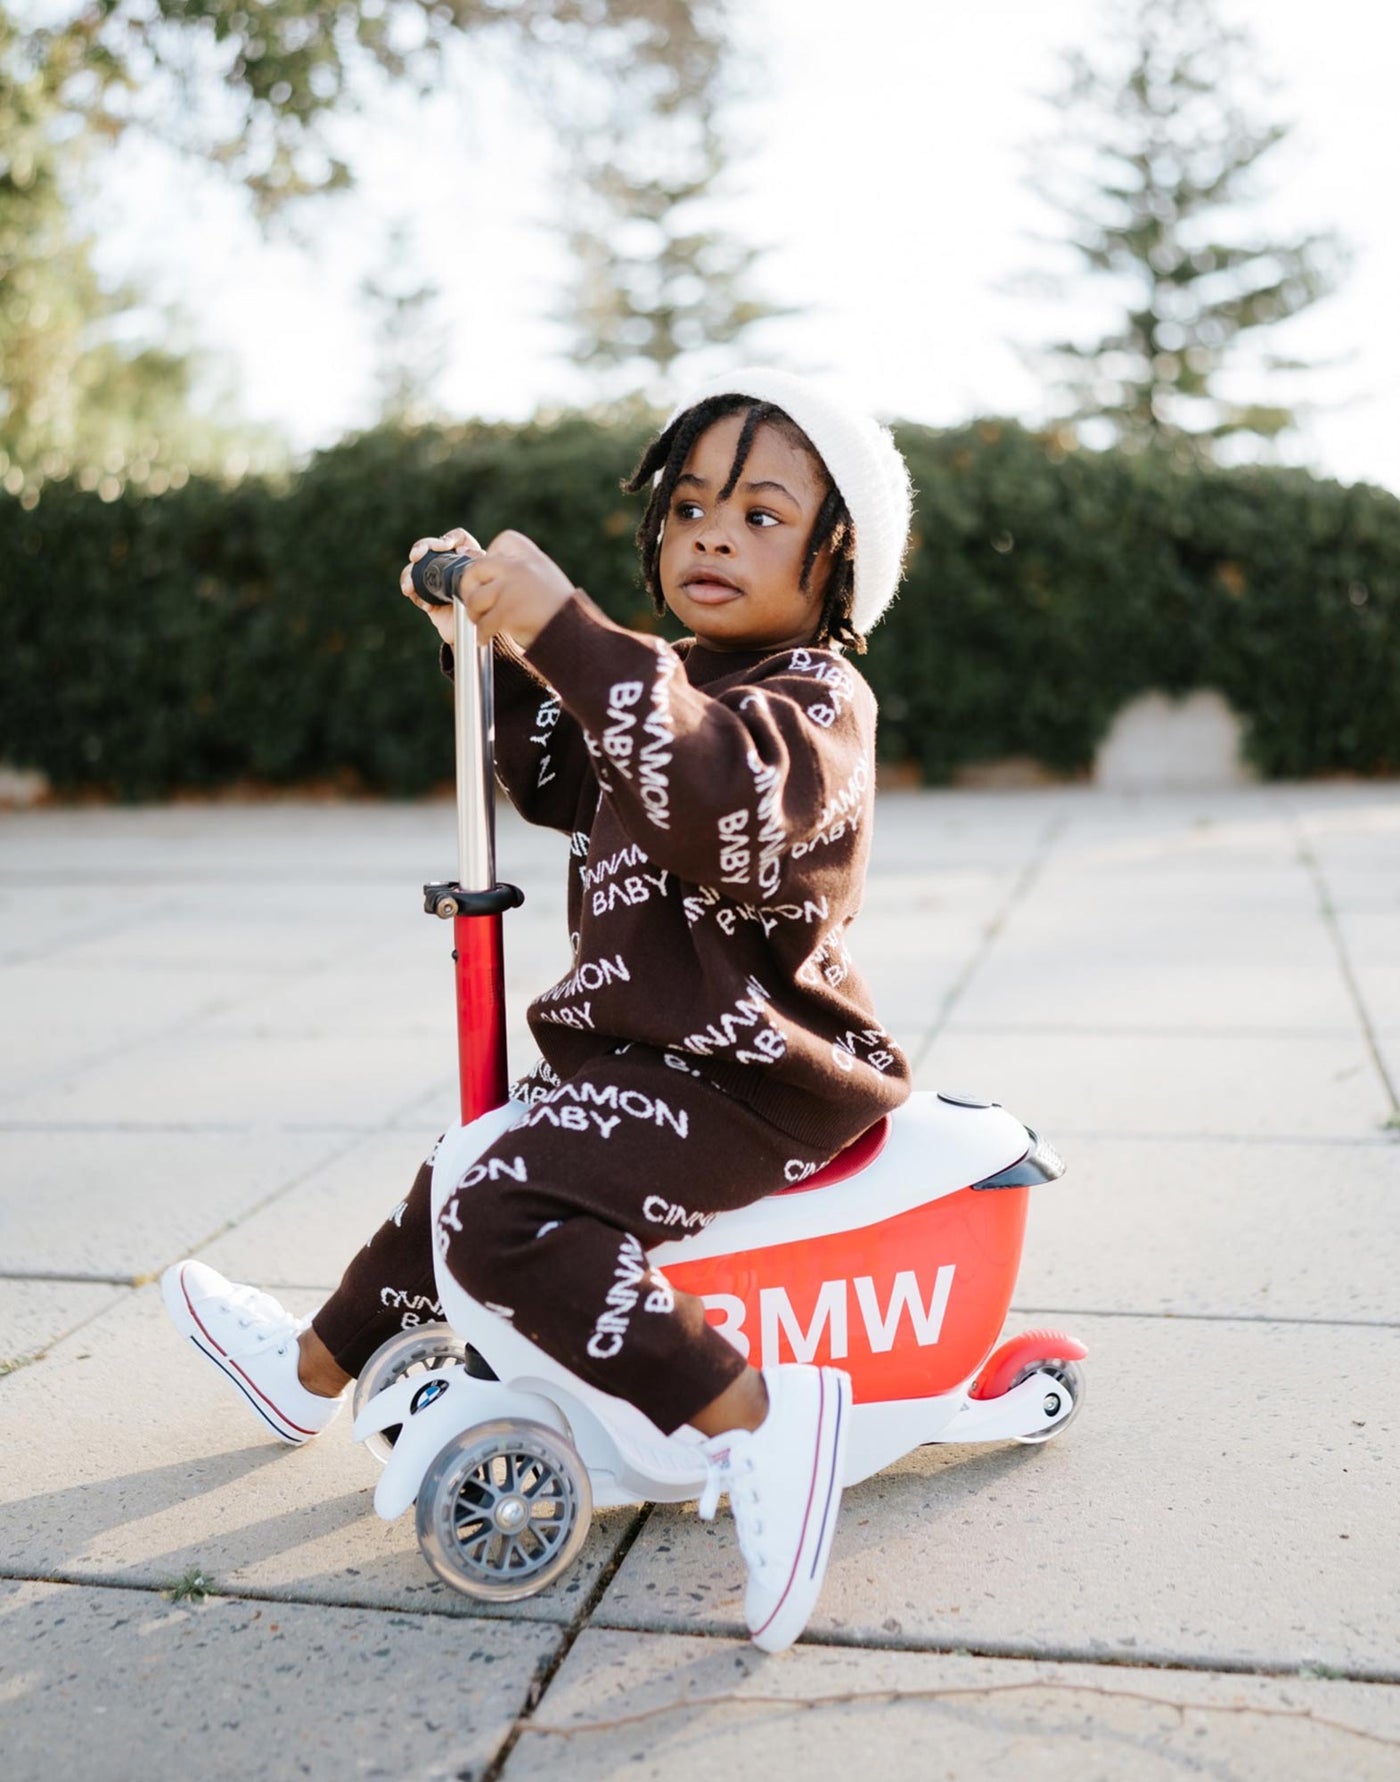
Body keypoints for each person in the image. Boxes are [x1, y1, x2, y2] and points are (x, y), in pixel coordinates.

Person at [162, 366, 915, 1653]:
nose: (709, 535)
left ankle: (755, 1421)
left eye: (760, 515)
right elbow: (562, 771)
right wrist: (491, 643)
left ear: (840, 563)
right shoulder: (666, 675)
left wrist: (564, 624)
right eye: (685, 508)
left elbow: (716, 803)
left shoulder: (814, 703)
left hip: (752, 1076)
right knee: (456, 1175)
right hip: (644, 1063)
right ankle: (312, 1375)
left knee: (503, 1207)